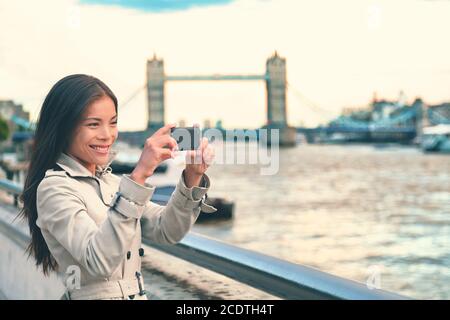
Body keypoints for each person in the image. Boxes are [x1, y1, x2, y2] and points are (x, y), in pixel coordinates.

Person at [18, 74, 216, 300]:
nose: (107, 135)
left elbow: (166, 230)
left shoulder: (113, 184)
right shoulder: (54, 189)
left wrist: (192, 177)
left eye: (113, 122)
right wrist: (140, 174)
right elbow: (98, 260)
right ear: (63, 128)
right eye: (93, 124)